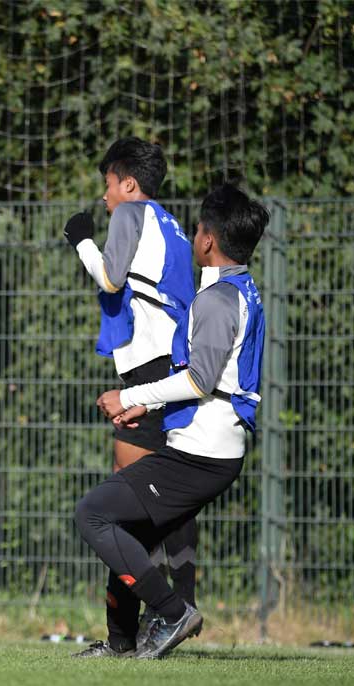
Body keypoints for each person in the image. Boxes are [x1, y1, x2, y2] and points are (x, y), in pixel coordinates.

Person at [76, 184, 268, 659]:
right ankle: (121, 643)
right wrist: (149, 406)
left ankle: (173, 611)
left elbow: (201, 380)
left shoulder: (218, 299)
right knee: (127, 530)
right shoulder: (237, 290)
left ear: (208, 240)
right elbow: (212, 378)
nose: (195, 236)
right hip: (208, 448)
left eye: (199, 229)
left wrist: (131, 394)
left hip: (201, 454)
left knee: (93, 513)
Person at [62, 137, 200, 658]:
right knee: (169, 504)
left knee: (121, 511)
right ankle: (175, 610)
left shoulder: (130, 214)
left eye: (108, 185)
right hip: (176, 368)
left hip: (149, 373)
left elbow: (109, 277)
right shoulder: (173, 225)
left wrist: (81, 239)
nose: (104, 197)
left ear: (129, 183)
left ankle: (144, 628)